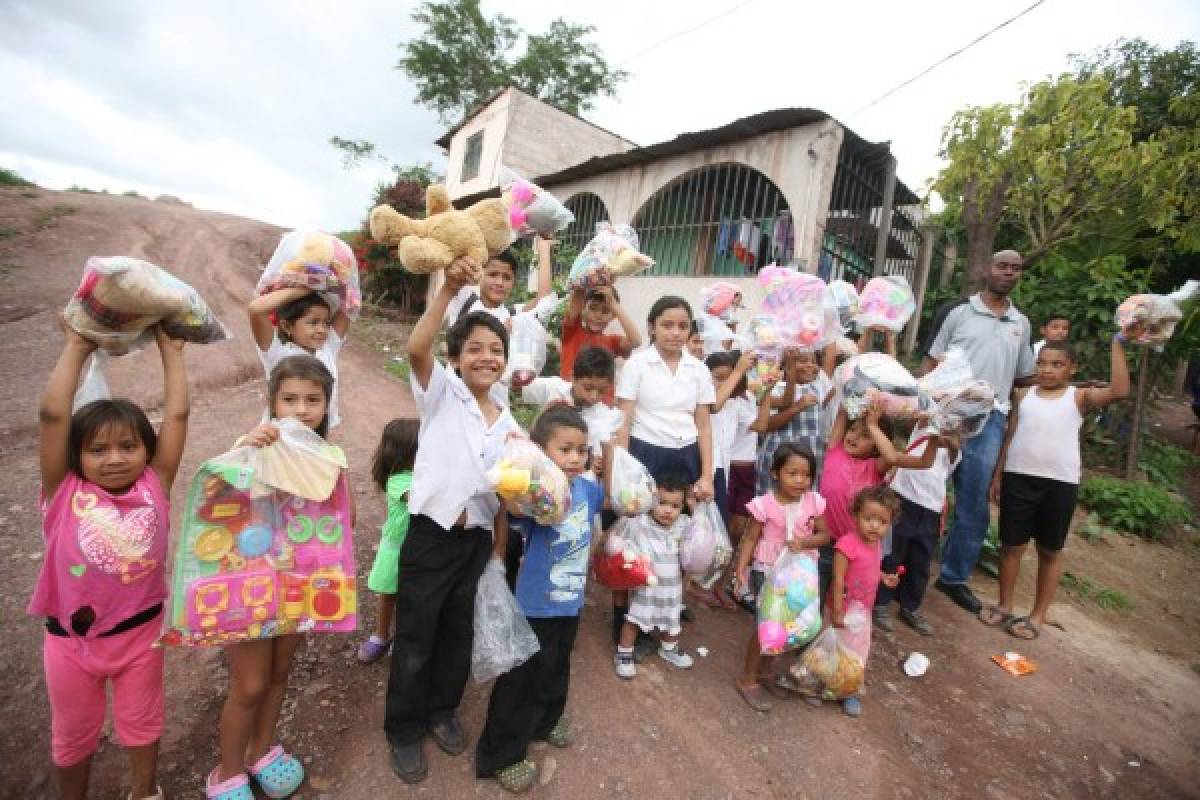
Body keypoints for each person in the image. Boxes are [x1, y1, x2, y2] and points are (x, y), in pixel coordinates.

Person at [31, 325, 188, 800]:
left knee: (142, 726)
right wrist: (77, 345)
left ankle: (145, 791)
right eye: (97, 450)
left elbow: (177, 413)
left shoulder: (154, 485)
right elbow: (53, 415)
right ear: (76, 456)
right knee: (73, 737)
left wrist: (171, 349)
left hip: (141, 634)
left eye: (128, 446)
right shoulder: (63, 493)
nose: (115, 459)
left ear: (147, 449)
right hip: (71, 643)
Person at [385, 257, 518, 785]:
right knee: (416, 637)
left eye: (496, 350)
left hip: (475, 541)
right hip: (431, 535)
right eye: (476, 349)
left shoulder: (507, 417)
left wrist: (499, 549)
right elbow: (417, 348)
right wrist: (448, 291)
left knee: (456, 635)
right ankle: (403, 728)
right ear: (456, 358)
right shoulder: (442, 394)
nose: (487, 358)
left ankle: (441, 710)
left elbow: (509, 492)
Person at [206, 355, 342, 800]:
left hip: (300, 584)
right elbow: (211, 498)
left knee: (280, 672)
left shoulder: (327, 458)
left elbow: (340, 524)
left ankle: (261, 753)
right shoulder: (251, 447)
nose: (301, 410)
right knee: (250, 683)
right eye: (289, 399)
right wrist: (246, 445)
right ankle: (226, 773)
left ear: (326, 406)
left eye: (312, 400)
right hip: (248, 585)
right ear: (271, 402)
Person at [475, 406, 605, 793]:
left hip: (571, 601)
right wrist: (520, 475)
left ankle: (546, 721)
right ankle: (501, 754)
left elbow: (597, 520)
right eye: (564, 449)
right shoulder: (539, 496)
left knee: (557, 664)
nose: (574, 458)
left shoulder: (589, 490)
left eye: (581, 450)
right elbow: (515, 508)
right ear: (543, 453)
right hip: (536, 603)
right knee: (521, 678)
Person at [981, 337, 1131, 639]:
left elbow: (1119, 391)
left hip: (1059, 483)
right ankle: (1005, 605)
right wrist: (998, 475)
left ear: (1073, 368)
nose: (1047, 370)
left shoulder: (1079, 397)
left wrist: (1117, 343)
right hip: (1018, 477)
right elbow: (1011, 436)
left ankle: (1037, 616)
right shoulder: (1023, 396)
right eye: (1042, 363)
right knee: (1011, 545)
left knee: (1050, 550)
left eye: (1057, 364)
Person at [924, 250, 1036, 614]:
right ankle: (902, 562)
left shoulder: (1021, 324)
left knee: (973, 502)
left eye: (1015, 268)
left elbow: (1022, 376)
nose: (1008, 273)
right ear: (988, 269)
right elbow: (932, 360)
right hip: (947, 413)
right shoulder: (958, 313)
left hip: (990, 422)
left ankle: (953, 577)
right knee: (924, 487)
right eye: (1002, 266)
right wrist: (919, 403)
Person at [733, 444, 828, 712]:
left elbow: (825, 535)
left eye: (806, 474)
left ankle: (767, 670)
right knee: (767, 625)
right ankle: (748, 678)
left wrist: (805, 541)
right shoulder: (765, 505)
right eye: (792, 473)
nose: (800, 480)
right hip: (769, 570)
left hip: (801, 574)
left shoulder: (814, 501)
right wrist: (741, 570)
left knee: (790, 624)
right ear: (775, 473)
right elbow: (751, 538)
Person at [818, 403, 936, 605]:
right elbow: (844, 409)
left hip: (854, 549)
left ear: (876, 445)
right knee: (813, 600)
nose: (853, 436)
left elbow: (924, 462)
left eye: (865, 435)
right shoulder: (834, 448)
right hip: (822, 543)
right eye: (853, 429)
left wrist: (873, 425)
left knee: (846, 604)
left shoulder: (875, 466)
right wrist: (861, 395)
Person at [615, 296, 715, 503]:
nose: (676, 333)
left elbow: (704, 427)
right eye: (667, 325)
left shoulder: (699, 369)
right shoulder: (637, 365)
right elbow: (622, 424)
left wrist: (706, 477)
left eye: (683, 326)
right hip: (644, 452)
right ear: (651, 328)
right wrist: (624, 471)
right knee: (639, 518)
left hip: (688, 454)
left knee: (685, 525)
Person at [821, 485, 903, 718]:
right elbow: (838, 580)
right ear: (856, 515)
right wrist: (837, 611)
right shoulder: (846, 545)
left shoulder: (875, 544)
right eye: (868, 518)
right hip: (841, 608)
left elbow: (869, 569)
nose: (874, 526)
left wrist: (882, 577)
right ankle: (821, 684)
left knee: (857, 652)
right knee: (832, 648)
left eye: (882, 521)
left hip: (862, 612)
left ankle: (849, 691)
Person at [873, 429, 960, 635]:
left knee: (921, 560)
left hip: (932, 506)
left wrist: (953, 444)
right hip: (904, 497)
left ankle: (911, 605)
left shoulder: (956, 439)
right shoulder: (925, 425)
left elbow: (950, 467)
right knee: (893, 554)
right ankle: (880, 602)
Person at [614, 471, 695, 679]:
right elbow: (622, 526)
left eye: (675, 506)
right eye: (662, 503)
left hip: (672, 590)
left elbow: (698, 533)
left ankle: (668, 648)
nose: (667, 511)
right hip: (647, 590)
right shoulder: (640, 523)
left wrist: (696, 506)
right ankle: (624, 654)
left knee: (672, 621)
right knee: (634, 621)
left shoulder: (683, 524)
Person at [249, 279, 351, 430]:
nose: (322, 330)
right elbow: (255, 309)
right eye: (313, 322)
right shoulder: (277, 352)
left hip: (316, 432)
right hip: (278, 435)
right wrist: (308, 289)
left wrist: (335, 278)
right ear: (287, 326)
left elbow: (350, 303)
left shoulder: (327, 349)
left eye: (326, 323)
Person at [357, 418, 420, 663]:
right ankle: (380, 635)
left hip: (417, 549)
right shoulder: (399, 480)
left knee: (411, 596)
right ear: (405, 453)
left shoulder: (416, 473)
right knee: (389, 594)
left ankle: (403, 638)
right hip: (396, 548)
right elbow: (417, 499)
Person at [444, 239, 555, 328]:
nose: (499, 282)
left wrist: (544, 248)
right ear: (480, 274)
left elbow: (543, 299)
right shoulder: (464, 299)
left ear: (514, 282)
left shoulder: (514, 314)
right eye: (492, 275)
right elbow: (453, 256)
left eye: (507, 278)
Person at [559, 283, 640, 403]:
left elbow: (635, 341)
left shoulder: (612, 341)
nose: (598, 315)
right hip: (570, 402)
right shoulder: (572, 332)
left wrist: (614, 304)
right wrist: (592, 278)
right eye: (593, 308)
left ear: (613, 316)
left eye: (606, 310)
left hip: (601, 407)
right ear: (583, 310)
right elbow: (578, 296)